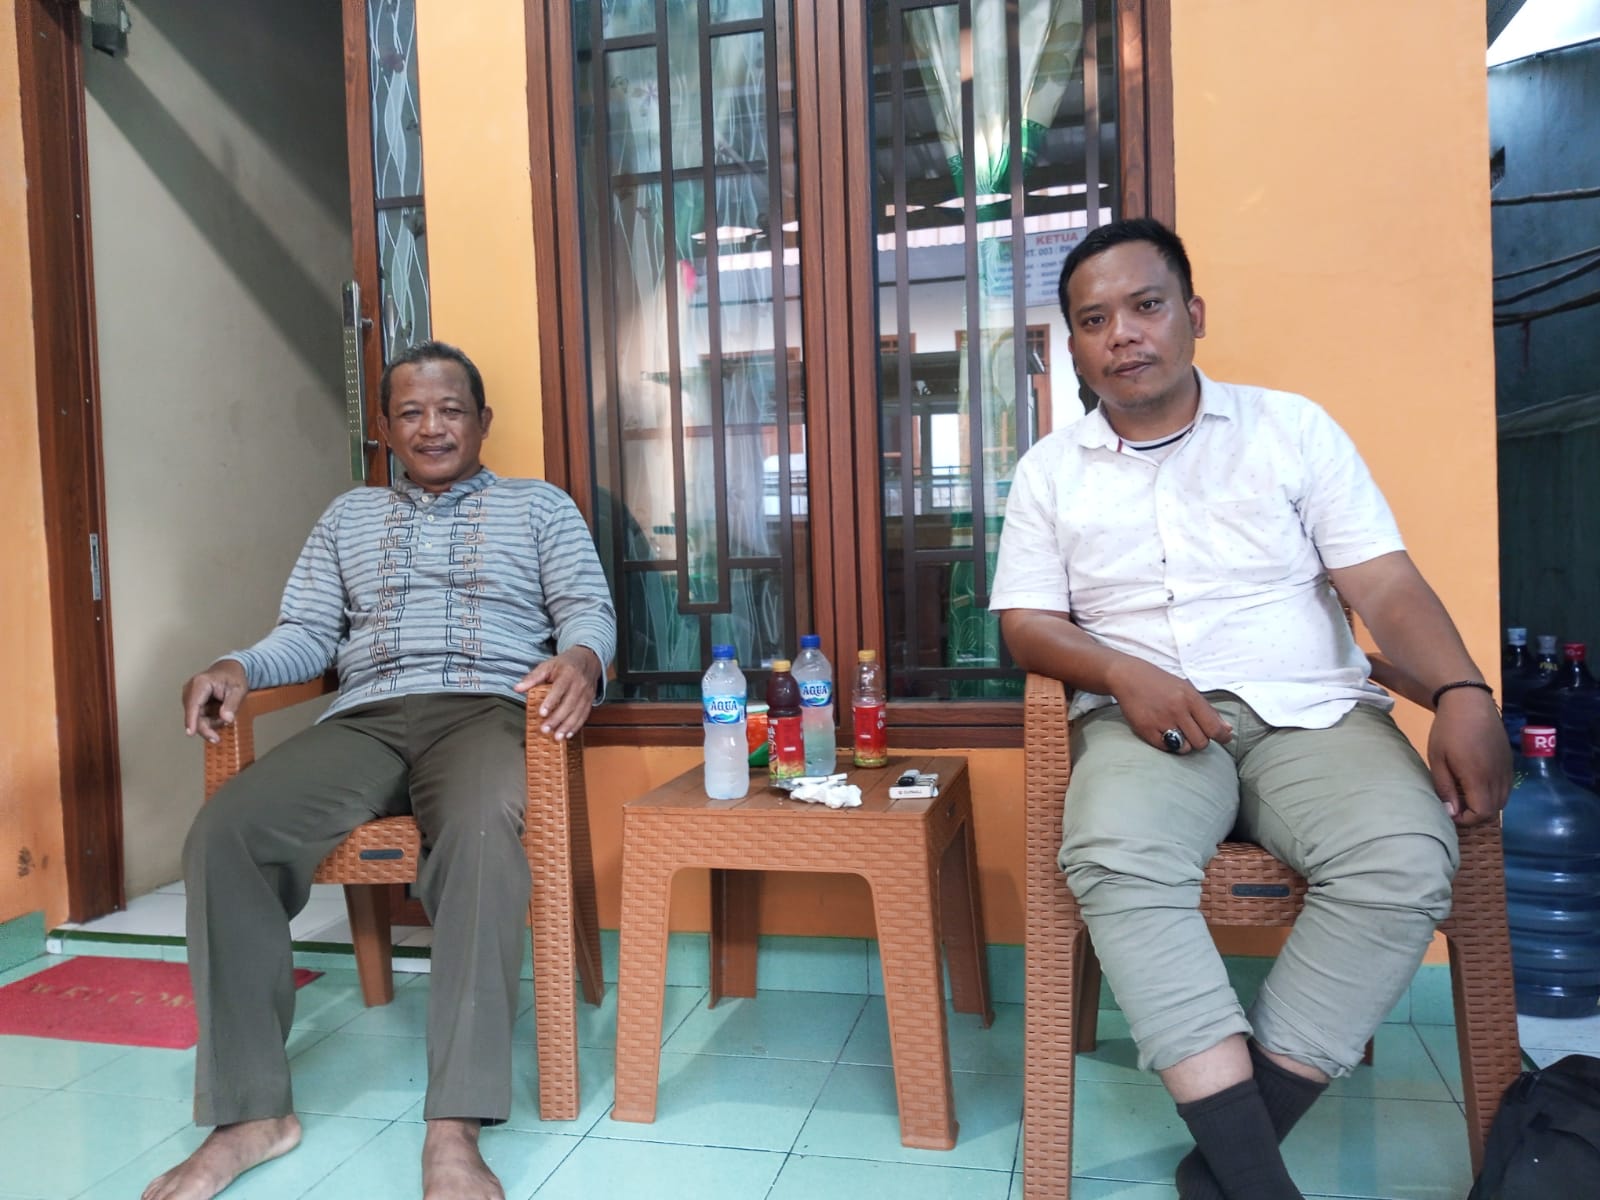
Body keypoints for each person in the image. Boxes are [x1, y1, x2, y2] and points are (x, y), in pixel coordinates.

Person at [991, 219, 1510, 1200]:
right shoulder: (1050, 472)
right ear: (1075, 349)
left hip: (1314, 712)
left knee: (1404, 857)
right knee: (1113, 855)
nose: (1122, 334)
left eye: (1146, 306)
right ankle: (1257, 1182)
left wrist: (1460, 691)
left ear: (1192, 314)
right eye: (1093, 321)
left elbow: (1383, 583)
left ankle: (1229, 1167)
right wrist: (1122, 673)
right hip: (1145, 725)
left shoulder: (1290, 430)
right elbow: (1026, 624)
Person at [143, 341, 616, 1200]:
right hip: (365, 718)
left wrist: (582, 658)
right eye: (411, 413)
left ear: (482, 420)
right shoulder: (347, 518)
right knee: (227, 833)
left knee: (480, 832)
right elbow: (307, 632)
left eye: (451, 409)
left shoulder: (539, 507)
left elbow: (586, 607)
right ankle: (250, 1114)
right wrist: (238, 667)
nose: (432, 426)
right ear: (387, 431)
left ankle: (454, 1126)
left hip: (486, 710)